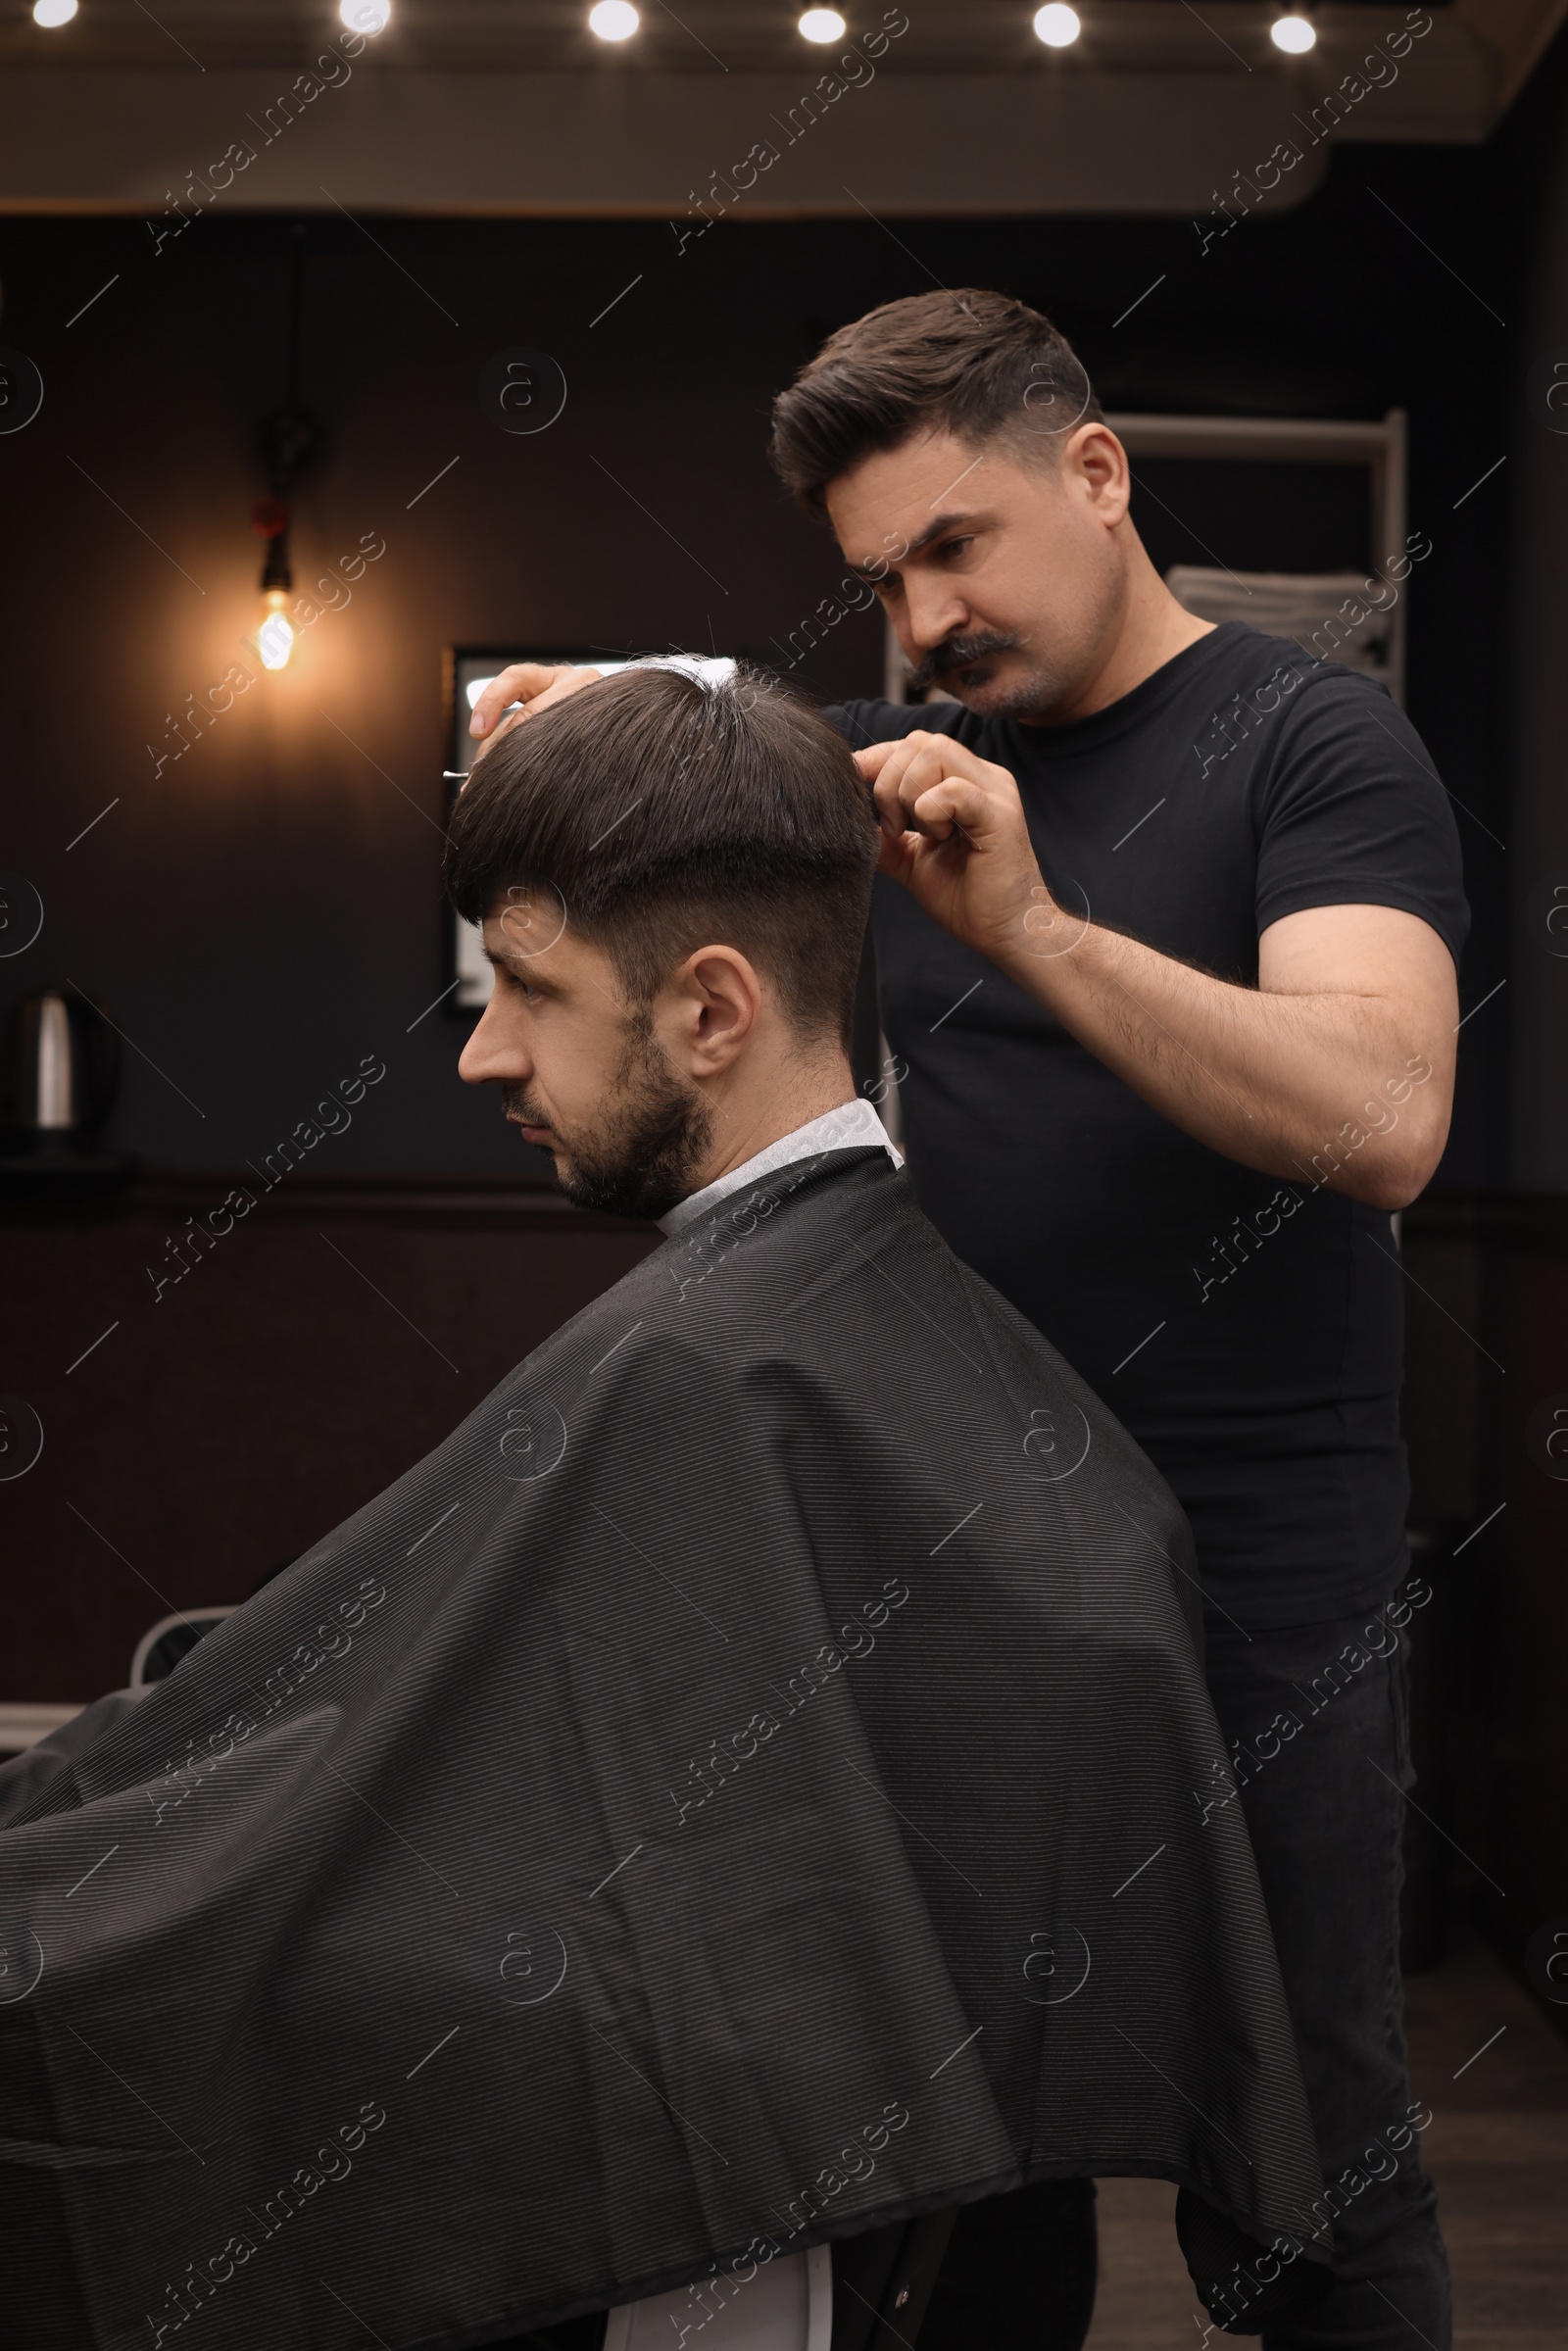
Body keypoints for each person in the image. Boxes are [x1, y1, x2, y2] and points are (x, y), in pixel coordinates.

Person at [0, 665, 1331, 2351]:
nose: (482, 1054)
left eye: (528, 992)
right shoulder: (891, 1358)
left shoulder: (712, 1367)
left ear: (711, 1012)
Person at [468, 293, 1469, 2350]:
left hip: (1262, 1570)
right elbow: (730, 761)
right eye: (878, 580)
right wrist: (600, 709)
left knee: (1301, 2163)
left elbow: (1381, 1118)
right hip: (982, 1553)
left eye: (954, 548)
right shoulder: (918, 769)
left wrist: (1024, 928)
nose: (918, 621)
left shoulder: (1311, 743)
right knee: (960, 2145)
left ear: (1092, 476)